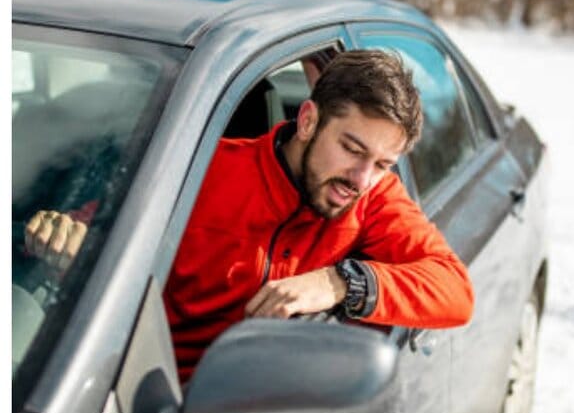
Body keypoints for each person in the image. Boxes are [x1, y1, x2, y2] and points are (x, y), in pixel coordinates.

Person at [26, 49, 474, 382]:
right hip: (145, 408)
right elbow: (86, 232)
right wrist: (62, 236)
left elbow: (455, 290)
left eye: (382, 164)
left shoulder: (374, 198)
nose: (361, 178)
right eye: (351, 149)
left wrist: (339, 282)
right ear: (308, 121)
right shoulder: (197, 171)